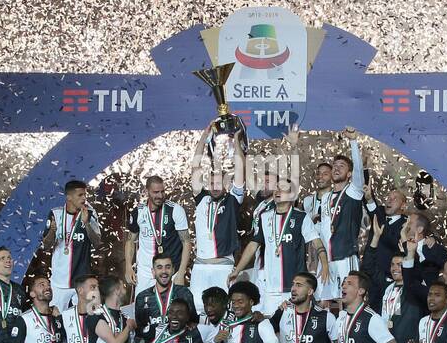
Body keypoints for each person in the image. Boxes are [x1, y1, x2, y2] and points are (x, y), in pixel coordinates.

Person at [229, 178, 328, 316]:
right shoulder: (265, 217)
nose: (277, 191)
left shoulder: (301, 217)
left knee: (293, 328)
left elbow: (316, 242)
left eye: (283, 188)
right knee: (270, 326)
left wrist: (325, 265)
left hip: (294, 288)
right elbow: (253, 245)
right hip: (271, 287)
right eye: (276, 188)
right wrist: (237, 270)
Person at [188, 122, 246, 313]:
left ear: (226, 184)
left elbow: (240, 169)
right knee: (197, 310)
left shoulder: (233, 200)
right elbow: (195, 166)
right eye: (211, 182)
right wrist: (204, 137)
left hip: (223, 266)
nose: (214, 186)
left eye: (219, 182)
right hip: (200, 266)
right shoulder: (202, 198)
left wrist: (237, 140)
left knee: (224, 310)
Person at [314, 128, 365, 302]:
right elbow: (323, 230)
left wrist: (353, 142)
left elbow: (359, 172)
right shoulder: (326, 197)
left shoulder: (353, 192)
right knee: (325, 302)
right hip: (326, 260)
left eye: (341, 166)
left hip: (345, 257)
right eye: (334, 166)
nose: (336, 169)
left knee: (348, 300)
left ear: (349, 174)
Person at [125, 176, 191, 295]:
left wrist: (181, 273)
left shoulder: (175, 210)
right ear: (147, 191)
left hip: (170, 270)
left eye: (162, 191)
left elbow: (186, 242)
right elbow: (130, 240)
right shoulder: (138, 212)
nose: (160, 196)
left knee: (171, 310)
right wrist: (128, 267)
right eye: (156, 192)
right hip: (146, 272)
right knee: (143, 309)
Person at [43, 180, 102, 312]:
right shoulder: (55, 214)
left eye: (85, 195)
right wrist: (52, 231)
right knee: (57, 319)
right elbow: (46, 246)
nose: (84, 198)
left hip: (82, 281)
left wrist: (86, 224)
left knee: (86, 319)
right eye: (80, 195)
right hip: (59, 282)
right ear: (69, 197)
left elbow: (97, 243)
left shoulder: (90, 213)